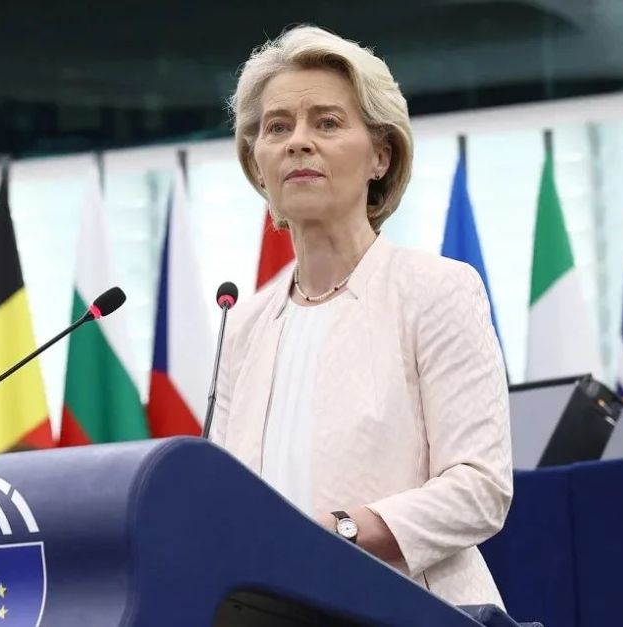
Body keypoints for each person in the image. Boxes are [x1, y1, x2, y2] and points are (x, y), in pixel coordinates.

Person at [211, 25, 512, 606]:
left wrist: (341, 532)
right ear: (258, 163)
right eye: (277, 128)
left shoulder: (437, 290)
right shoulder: (241, 326)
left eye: (326, 122)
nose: (298, 142)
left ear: (381, 154)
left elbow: (481, 488)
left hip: (410, 608)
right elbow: (226, 507)